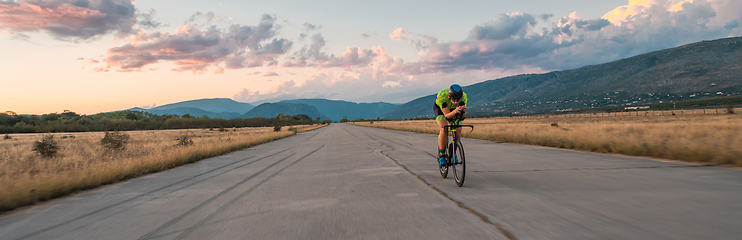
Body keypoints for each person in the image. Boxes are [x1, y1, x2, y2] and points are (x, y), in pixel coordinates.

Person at [433, 84, 467, 166]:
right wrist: (455, 111)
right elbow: (447, 115)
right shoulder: (442, 95)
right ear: (449, 96)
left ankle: (453, 153)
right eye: (453, 99)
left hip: (455, 110)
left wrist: (463, 112)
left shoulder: (464, 97)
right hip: (441, 110)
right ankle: (442, 155)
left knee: (458, 130)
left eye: (458, 99)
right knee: (444, 128)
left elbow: (462, 118)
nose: (456, 101)